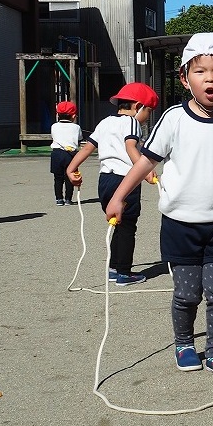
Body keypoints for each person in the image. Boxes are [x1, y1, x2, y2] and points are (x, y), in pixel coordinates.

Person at [105, 33, 213, 379]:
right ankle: (185, 344)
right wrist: (119, 196)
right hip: (180, 225)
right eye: (200, 71)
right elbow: (145, 162)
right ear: (185, 78)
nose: (210, 79)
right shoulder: (173, 119)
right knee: (187, 294)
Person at [67, 82, 159, 286]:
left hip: (105, 180)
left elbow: (87, 148)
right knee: (128, 226)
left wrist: (71, 168)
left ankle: (114, 269)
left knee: (118, 223)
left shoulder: (105, 122)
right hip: (125, 180)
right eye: (149, 112)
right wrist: (144, 170)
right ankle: (124, 273)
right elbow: (130, 147)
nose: (147, 118)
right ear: (138, 106)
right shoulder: (132, 122)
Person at [50, 101, 82, 206]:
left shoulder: (54, 126)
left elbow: (53, 136)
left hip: (57, 153)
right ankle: (68, 199)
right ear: (73, 116)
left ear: (58, 114)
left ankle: (59, 199)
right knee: (70, 176)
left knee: (58, 178)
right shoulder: (76, 127)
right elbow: (80, 138)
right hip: (71, 154)